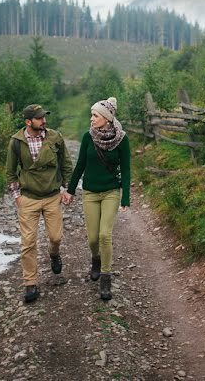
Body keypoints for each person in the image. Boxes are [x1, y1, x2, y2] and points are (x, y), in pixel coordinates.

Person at [5, 103, 73, 303]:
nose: (44, 121)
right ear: (28, 121)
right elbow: (10, 171)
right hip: (28, 198)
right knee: (28, 242)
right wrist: (17, 196)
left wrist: (67, 189)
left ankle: (54, 254)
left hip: (52, 196)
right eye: (39, 118)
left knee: (55, 237)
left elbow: (66, 164)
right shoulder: (16, 142)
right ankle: (30, 283)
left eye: (44, 117)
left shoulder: (55, 137)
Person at [66, 97, 131, 300]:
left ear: (106, 118)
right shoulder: (88, 137)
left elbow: (127, 170)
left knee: (105, 235)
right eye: (91, 115)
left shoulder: (122, 139)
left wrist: (125, 198)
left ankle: (105, 276)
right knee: (93, 238)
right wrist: (70, 190)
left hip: (111, 191)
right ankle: (95, 258)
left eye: (95, 115)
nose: (91, 119)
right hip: (90, 193)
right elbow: (80, 166)